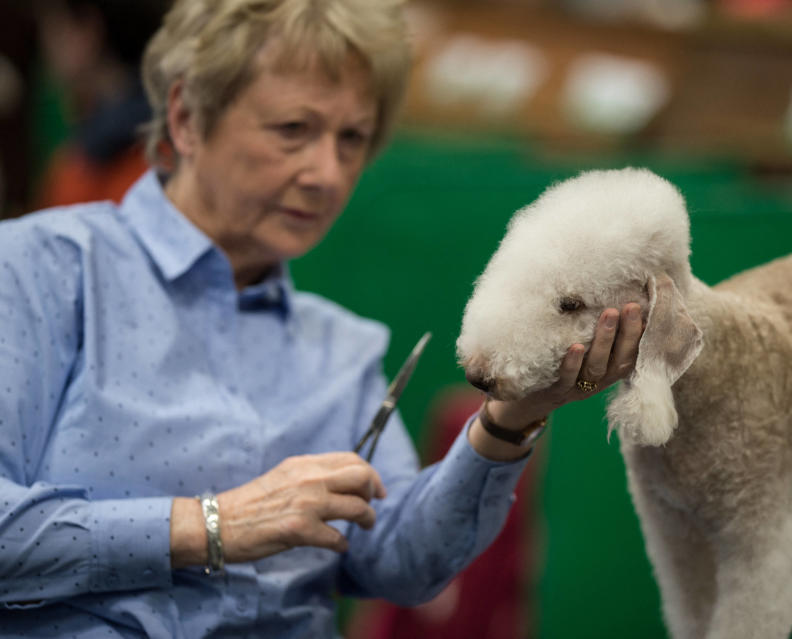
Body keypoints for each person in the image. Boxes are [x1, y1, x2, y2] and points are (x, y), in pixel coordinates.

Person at [0, 0, 646, 636]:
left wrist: (507, 421)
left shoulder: (341, 345)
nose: (327, 173)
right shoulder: (42, 270)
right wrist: (211, 524)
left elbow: (401, 564)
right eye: (292, 130)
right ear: (187, 118)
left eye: (352, 139)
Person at [32, 0, 167, 208]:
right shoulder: (177, 127)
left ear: (86, 29)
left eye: (52, 28)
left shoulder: (82, 175)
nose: (43, 46)